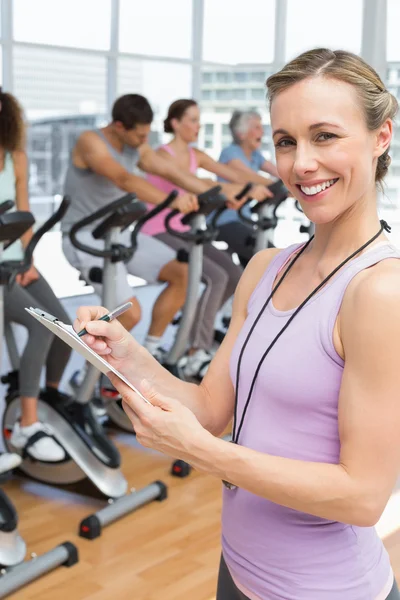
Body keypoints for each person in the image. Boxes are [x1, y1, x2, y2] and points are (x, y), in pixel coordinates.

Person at [75, 48, 400, 600]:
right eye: (285, 141)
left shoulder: (380, 291)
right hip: (239, 571)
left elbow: (362, 497)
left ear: (380, 137)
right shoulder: (264, 268)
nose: (300, 164)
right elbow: (210, 408)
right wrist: (126, 354)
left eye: (325, 136)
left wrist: (204, 453)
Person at [61, 94, 249, 359]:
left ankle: (149, 353)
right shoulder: (91, 141)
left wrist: (221, 194)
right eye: (139, 136)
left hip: (120, 234)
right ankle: (92, 376)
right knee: (130, 313)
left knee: (183, 274)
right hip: (85, 237)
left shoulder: (136, 145)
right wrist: (173, 202)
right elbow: (123, 178)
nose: (144, 142)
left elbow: (174, 174)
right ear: (119, 127)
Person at [143, 99, 270, 378]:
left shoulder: (195, 154)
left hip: (186, 228)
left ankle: (195, 336)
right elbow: (195, 185)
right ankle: (195, 349)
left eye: (199, 120)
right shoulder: (160, 156)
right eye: (192, 120)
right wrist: (234, 192)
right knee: (216, 277)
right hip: (159, 229)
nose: (197, 126)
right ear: (175, 123)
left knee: (234, 274)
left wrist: (247, 188)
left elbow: (226, 175)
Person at [0, 91, 70, 462]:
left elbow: (24, 216)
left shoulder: (17, 159)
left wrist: (29, 260)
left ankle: (51, 396)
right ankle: (27, 425)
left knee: (65, 326)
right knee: (43, 327)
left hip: (17, 261)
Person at [215, 110, 282, 267]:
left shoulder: (256, 155)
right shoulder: (229, 153)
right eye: (256, 127)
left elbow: (277, 172)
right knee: (270, 260)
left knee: (257, 267)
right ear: (241, 134)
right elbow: (248, 177)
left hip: (244, 220)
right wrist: (281, 186)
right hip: (225, 220)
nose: (262, 131)